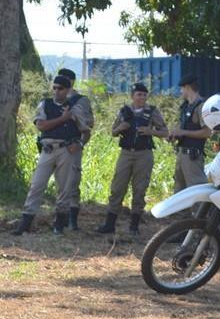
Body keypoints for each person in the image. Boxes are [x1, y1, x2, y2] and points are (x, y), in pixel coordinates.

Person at [12, 75, 90, 235]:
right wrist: (63, 119)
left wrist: (80, 144)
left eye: (60, 88)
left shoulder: (75, 108)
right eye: (54, 88)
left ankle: (59, 224)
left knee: (64, 189)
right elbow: (41, 126)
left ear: (68, 90)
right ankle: (26, 222)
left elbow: (86, 131)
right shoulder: (45, 104)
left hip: (66, 150)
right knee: (36, 185)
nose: (56, 91)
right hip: (48, 149)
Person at [96, 82, 168, 235]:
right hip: (126, 153)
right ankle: (110, 224)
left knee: (140, 189)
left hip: (144, 154)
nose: (141, 97)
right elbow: (113, 132)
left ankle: (134, 226)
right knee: (117, 188)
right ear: (132, 96)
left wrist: (150, 131)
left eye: (144, 94)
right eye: (138, 94)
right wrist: (120, 128)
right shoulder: (125, 111)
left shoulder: (152, 112)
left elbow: (165, 132)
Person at [57, 68, 93, 230]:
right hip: (55, 145)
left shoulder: (81, 100)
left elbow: (89, 123)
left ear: (71, 82)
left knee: (72, 182)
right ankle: (60, 217)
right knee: (59, 183)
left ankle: (73, 220)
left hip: (73, 145)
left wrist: (79, 141)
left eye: (65, 79)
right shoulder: (53, 99)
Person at [169, 74, 211, 192]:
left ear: (187, 87)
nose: (180, 91)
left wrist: (183, 132)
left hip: (193, 156)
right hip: (181, 154)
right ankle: (180, 212)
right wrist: (175, 135)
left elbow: (207, 132)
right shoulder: (185, 107)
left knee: (196, 191)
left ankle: (200, 211)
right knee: (179, 192)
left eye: (181, 88)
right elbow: (184, 129)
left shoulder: (201, 106)